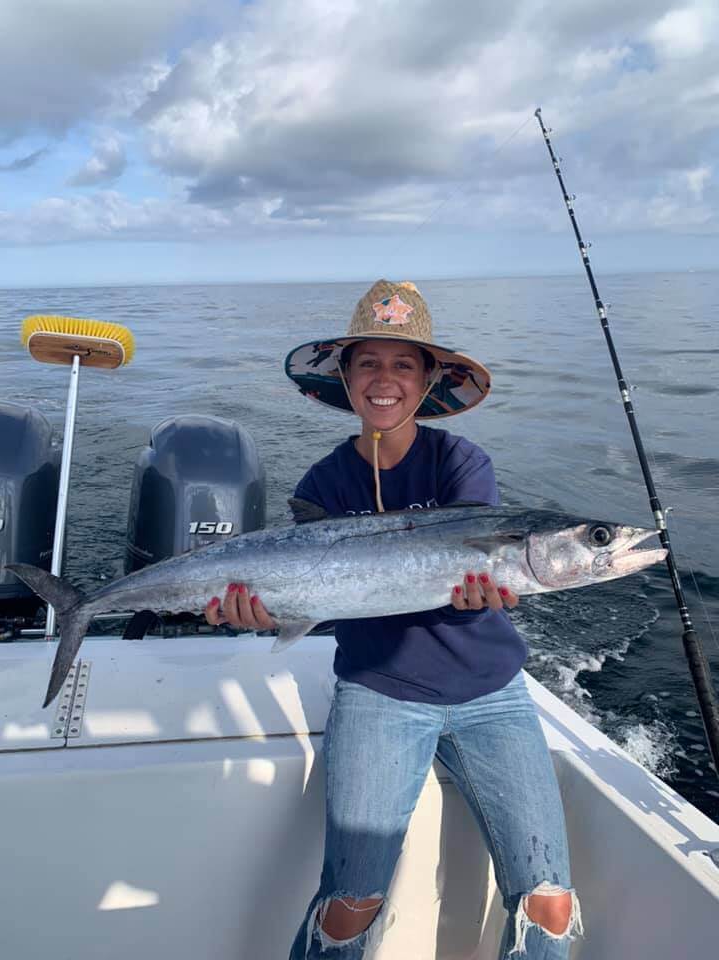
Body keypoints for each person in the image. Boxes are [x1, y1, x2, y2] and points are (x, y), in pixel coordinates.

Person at [205, 280, 583, 958]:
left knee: (549, 902)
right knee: (350, 905)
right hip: (378, 693)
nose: (385, 380)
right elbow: (313, 593)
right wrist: (258, 614)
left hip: (491, 695)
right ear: (346, 378)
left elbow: (477, 575)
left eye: (403, 363)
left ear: (428, 378)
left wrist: (482, 589)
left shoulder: (461, 462)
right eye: (369, 363)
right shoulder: (322, 483)